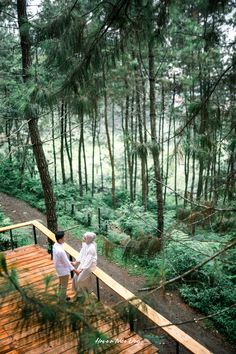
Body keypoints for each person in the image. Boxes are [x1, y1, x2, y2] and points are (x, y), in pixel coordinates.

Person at [53, 230, 79, 301]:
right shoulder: (61, 251)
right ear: (60, 239)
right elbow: (66, 262)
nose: (65, 239)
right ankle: (62, 300)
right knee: (64, 285)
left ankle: (61, 296)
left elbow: (64, 260)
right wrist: (75, 270)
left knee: (61, 283)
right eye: (64, 237)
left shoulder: (55, 245)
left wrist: (69, 262)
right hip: (63, 270)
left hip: (58, 268)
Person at [72, 231, 97, 300]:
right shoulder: (85, 244)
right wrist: (76, 262)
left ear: (89, 239)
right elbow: (81, 253)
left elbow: (89, 261)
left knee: (80, 279)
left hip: (90, 266)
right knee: (75, 277)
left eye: (85, 238)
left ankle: (84, 293)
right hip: (84, 263)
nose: (83, 238)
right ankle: (79, 292)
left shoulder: (92, 248)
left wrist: (81, 269)